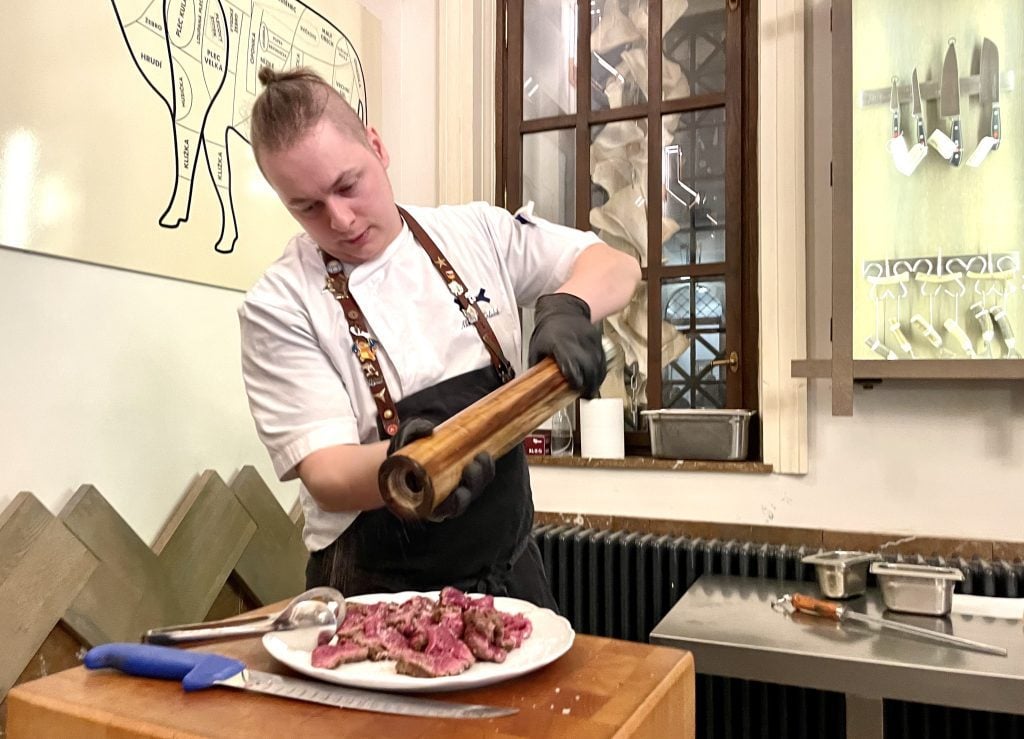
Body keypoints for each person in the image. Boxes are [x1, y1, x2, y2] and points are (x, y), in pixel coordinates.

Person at [238, 66, 641, 609]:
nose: (340, 219)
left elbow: (614, 263)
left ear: (377, 147)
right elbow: (327, 474)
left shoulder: (476, 234)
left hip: (509, 573)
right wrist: (413, 464)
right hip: (376, 594)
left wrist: (569, 305)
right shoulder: (280, 304)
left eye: (347, 185)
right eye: (306, 206)